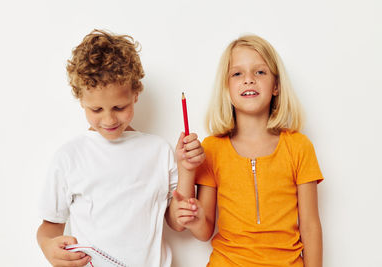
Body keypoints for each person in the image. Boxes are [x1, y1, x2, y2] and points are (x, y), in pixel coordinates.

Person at [36, 29, 205, 267]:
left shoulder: (158, 151)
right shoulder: (69, 157)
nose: (109, 120)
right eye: (96, 110)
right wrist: (48, 246)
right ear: (81, 101)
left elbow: (177, 223)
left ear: (135, 93)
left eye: (119, 107)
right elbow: (49, 227)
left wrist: (187, 169)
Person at [173, 35, 324, 266]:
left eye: (260, 72)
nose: (249, 80)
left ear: (276, 86)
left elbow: (310, 226)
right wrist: (196, 219)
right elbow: (204, 232)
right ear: (227, 88)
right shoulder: (212, 149)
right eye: (237, 74)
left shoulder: (299, 146)